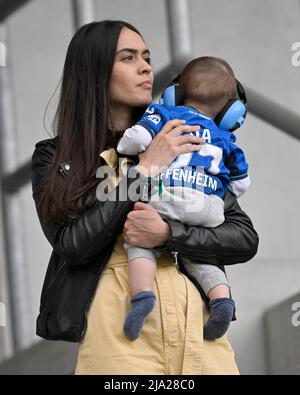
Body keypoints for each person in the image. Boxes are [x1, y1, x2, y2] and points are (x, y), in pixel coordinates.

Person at [31, 20, 259, 375]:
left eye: (147, 57)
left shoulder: (181, 135)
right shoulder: (55, 157)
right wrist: (144, 170)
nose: (145, 67)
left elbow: (243, 238)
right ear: (92, 70)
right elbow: (72, 244)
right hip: (121, 335)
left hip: (199, 331)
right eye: (128, 57)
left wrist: (169, 235)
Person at [117, 56, 251, 342]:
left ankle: (141, 296)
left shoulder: (166, 114)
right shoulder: (225, 137)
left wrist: (130, 148)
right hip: (210, 208)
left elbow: (135, 139)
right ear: (232, 113)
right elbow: (241, 183)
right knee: (198, 251)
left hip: (170, 194)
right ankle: (221, 298)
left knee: (140, 237)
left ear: (173, 95)